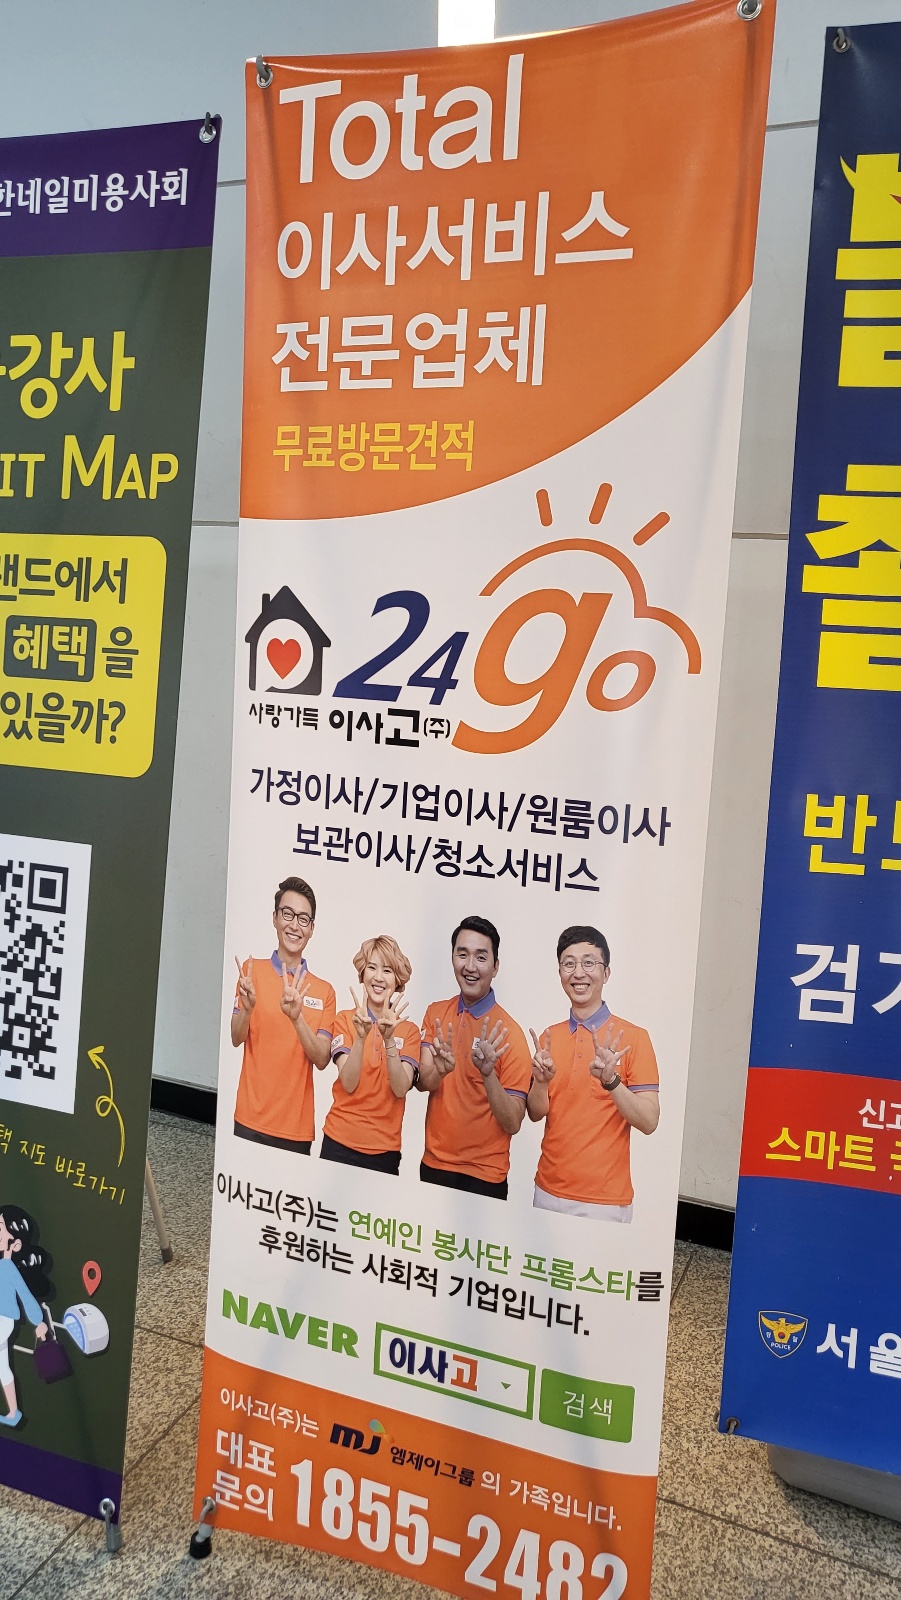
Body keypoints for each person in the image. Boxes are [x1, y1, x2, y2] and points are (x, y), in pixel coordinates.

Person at [528, 924, 659, 1222]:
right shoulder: (549, 1037)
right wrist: (541, 1083)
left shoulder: (635, 1038)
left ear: (606, 973)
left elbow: (649, 1121)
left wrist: (612, 1081)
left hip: (605, 1202)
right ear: (560, 973)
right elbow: (535, 1113)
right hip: (547, 1191)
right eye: (569, 964)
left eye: (589, 963)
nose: (578, 973)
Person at [418, 915, 531, 1201]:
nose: (470, 966)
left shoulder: (511, 1034)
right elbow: (423, 1084)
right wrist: (439, 1071)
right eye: (462, 954)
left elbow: (513, 1122)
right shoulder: (436, 1014)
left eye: (481, 957)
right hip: (434, 1165)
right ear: (452, 958)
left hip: (485, 1176)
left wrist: (488, 1074)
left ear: (495, 966)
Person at [231, 876, 336, 1154]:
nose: (294, 925)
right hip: (249, 1118)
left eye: (303, 919)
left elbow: (322, 1059)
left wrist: (297, 1018)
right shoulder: (251, 972)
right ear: (275, 918)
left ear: (311, 929)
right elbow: (236, 1037)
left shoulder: (325, 991)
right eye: (287, 914)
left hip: (295, 1128)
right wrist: (247, 1008)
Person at [321, 935, 420, 1175]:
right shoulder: (345, 1019)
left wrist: (389, 1039)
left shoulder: (409, 1031)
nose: (378, 977)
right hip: (338, 1142)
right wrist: (361, 1037)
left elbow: (400, 1088)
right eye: (372, 968)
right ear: (362, 973)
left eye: (387, 970)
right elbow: (348, 1082)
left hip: (384, 1152)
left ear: (397, 980)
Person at [0, 1205, 49, 1427]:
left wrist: (39, 1322)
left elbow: (25, 1295)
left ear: (15, 1244)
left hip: (2, 1321)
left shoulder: (7, 1268)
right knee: (3, 1367)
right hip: (5, 1322)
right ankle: (14, 1412)